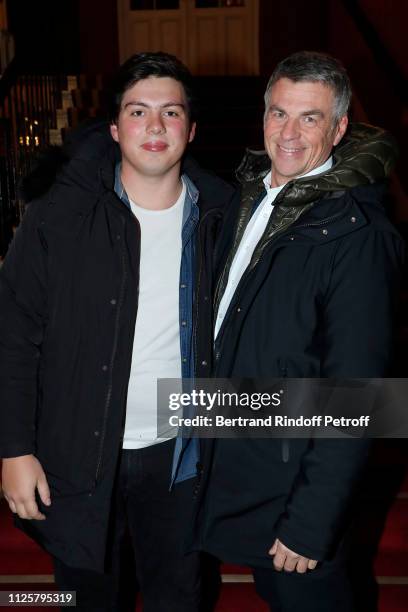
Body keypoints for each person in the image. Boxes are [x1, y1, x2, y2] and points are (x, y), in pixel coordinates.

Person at [0, 52, 235, 611]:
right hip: (79, 454)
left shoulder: (223, 219)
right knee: (87, 598)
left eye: (171, 112)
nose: (155, 126)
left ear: (191, 128)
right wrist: (13, 449)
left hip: (179, 456)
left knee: (179, 597)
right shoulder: (56, 218)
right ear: (114, 128)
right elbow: (13, 336)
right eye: (138, 111)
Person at [189, 51, 403, 611]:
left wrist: (312, 520)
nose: (288, 133)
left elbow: (360, 393)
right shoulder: (242, 199)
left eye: (309, 118)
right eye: (279, 113)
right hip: (233, 461)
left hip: (294, 487)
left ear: (338, 129)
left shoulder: (358, 236)